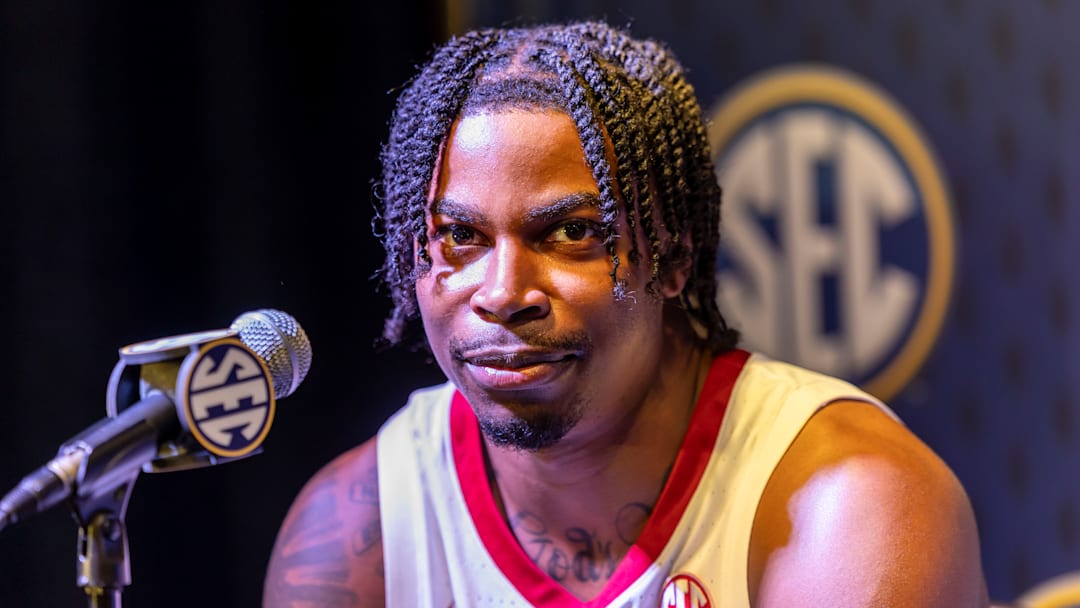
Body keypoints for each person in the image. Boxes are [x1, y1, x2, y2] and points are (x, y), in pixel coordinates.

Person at [263, 20, 990, 607]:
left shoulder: (851, 507)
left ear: (672, 259)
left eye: (571, 233)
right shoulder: (357, 532)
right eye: (461, 237)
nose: (504, 291)